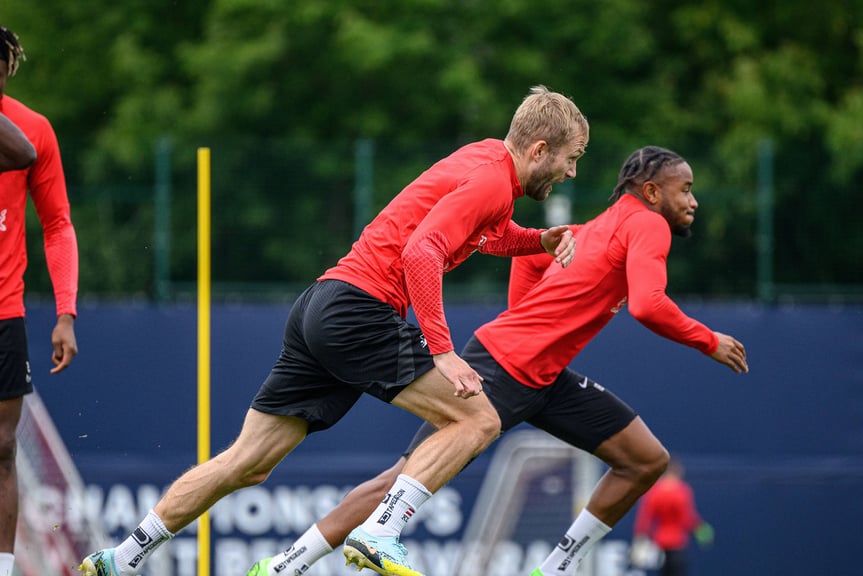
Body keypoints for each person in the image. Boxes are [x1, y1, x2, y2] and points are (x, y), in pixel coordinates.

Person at [78, 85, 586, 576]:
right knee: (478, 421)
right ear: (540, 149)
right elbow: (423, 251)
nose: (571, 170)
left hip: (322, 305)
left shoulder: (486, 161)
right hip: (359, 312)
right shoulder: (492, 182)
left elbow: (481, 235)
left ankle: (120, 559)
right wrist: (443, 350)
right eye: (570, 157)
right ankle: (381, 533)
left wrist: (539, 239)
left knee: (247, 464)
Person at [243, 145, 748, 576]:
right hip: (505, 366)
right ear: (652, 191)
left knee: (646, 460)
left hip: (543, 375)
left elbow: (531, 255)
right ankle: (287, 565)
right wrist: (709, 341)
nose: (693, 201)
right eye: (685, 190)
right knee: (399, 478)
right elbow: (648, 304)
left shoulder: (594, 226)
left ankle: (555, 569)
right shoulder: (649, 226)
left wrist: (524, 316)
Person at [0, 24, 80, 576]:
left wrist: (66, 311)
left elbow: (56, 224)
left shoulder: (31, 131)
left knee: (1, 448)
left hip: (5, 313)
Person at [632, 457, 713, 576]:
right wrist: (700, 529)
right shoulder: (681, 490)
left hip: (660, 543)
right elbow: (687, 518)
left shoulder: (654, 491)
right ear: (677, 471)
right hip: (677, 543)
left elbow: (645, 519)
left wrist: (640, 539)